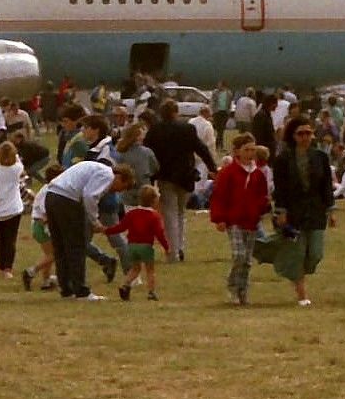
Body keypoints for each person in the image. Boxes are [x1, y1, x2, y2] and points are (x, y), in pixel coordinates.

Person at [45, 160, 132, 301]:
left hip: (52, 196)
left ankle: (67, 290)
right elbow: (90, 196)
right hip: (68, 200)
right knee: (77, 246)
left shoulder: (95, 168)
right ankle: (81, 291)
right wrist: (94, 221)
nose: (115, 191)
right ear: (120, 177)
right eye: (121, 187)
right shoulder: (107, 175)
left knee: (60, 247)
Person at [270, 117, 335, 306]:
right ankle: (301, 293)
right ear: (293, 136)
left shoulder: (321, 157)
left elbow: (326, 186)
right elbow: (280, 188)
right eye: (301, 133)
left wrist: (331, 210)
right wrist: (280, 211)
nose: (305, 137)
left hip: (316, 211)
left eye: (308, 132)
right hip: (293, 212)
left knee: (315, 253)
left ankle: (295, 272)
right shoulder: (283, 160)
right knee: (297, 253)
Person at [145, 103, 218, 263]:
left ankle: (173, 251)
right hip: (185, 176)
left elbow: (148, 155)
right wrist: (212, 167)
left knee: (169, 213)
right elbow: (202, 149)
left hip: (165, 175)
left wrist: (149, 178)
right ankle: (180, 246)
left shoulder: (154, 131)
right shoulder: (187, 129)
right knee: (180, 212)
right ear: (176, 112)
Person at [209, 133, 271, 307]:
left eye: (253, 150)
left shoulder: (258, 174)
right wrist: (219, 218)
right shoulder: (229, 173)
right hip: (233, 219)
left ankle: (243, 290)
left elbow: (262, 196)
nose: (250, 153)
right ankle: (232, 286)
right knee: (239, 255)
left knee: (248, 260)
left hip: (251, 221)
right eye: (247, 150)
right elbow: (219, 196)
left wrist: (262, 209)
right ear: (237, 152)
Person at [102, 184, 169, 301]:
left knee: (135, 269)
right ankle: (151, 292)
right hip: (146, 246)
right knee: (150, 270)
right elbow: (159, 233)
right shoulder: (154, 216)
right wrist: (166, 247)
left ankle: (125, 285)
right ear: (154, 201)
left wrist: (107, 230)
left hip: (131, 246)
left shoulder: (132, 213)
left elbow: (121, 227)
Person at [0, 141, 28, 280]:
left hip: (0, 209)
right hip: (15, 208)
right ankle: (7, 267)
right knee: (11, 239)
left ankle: (3, 265)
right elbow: (19, 162)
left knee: (1, 239)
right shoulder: (17, 168)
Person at [21, 164, 62, 291]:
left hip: (38, 225)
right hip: (42, 226)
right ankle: (31, 271)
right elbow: (45, 214)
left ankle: (46, 281)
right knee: (55, 253)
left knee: (48, 254)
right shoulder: (49, 191)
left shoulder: (46, 189)